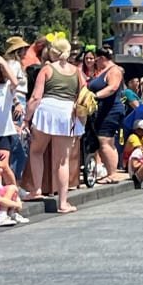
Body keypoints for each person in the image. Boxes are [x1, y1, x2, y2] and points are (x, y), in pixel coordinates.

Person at [25, 38, 85, 213]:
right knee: (62, 161)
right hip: (67, 113)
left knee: (36, 151)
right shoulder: (76, 71)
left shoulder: (47, 69)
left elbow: (36, 97)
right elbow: (83, 96)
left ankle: (36, 189)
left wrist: (26, 119)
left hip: (47, 111)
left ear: (52, 52)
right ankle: (63, 202)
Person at [85, 47, 126, 184]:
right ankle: (111, 172)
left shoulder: (114, 70)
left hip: (111, 110)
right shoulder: (102, 71)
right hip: (102, 110)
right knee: (105, 142)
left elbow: (112, 87)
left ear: (102, 58)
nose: (95, 63)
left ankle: (112, 174)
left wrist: (95, 96)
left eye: (96, 60)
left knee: (105, 141)